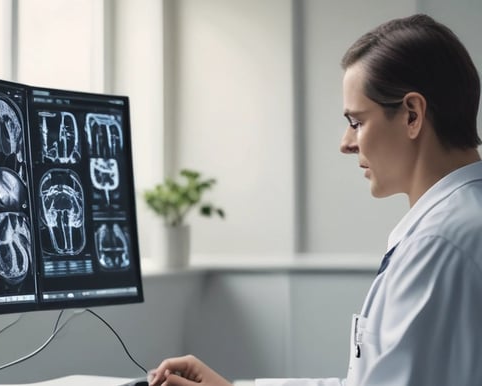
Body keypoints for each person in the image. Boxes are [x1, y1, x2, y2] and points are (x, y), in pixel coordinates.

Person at [148, 13, 482, 386]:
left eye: (356, 122)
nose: (346, 142)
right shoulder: (457, 225)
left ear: (412, 115)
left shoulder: (438, 246)